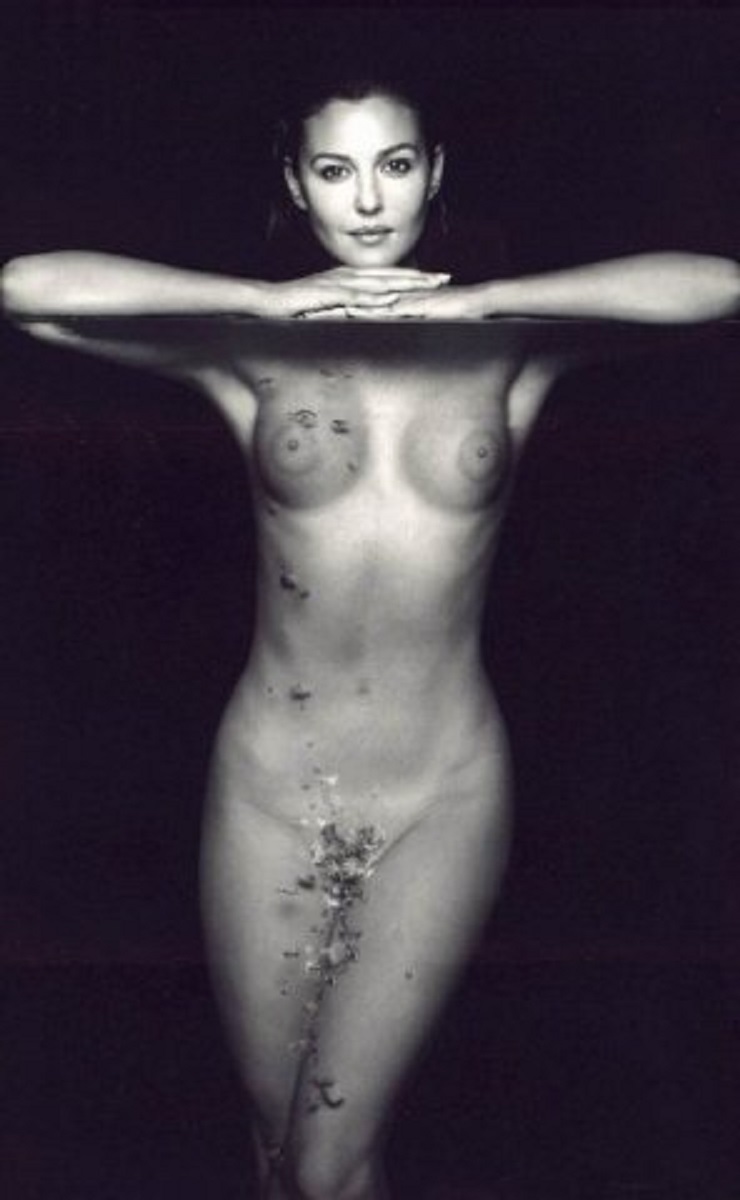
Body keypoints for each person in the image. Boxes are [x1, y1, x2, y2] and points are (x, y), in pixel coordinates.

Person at [2, 75, 738, 1200]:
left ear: (434, 174)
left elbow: (718, 287)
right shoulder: (245, 351)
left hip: (440, 785)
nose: (366, 201)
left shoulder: (510, 349)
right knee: (277, 1156)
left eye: (394, 165)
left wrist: (479, 303)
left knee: (327, 1160)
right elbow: (26, 289)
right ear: (295, 186)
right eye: (333, 170)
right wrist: (264, 301)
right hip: (267, 784)